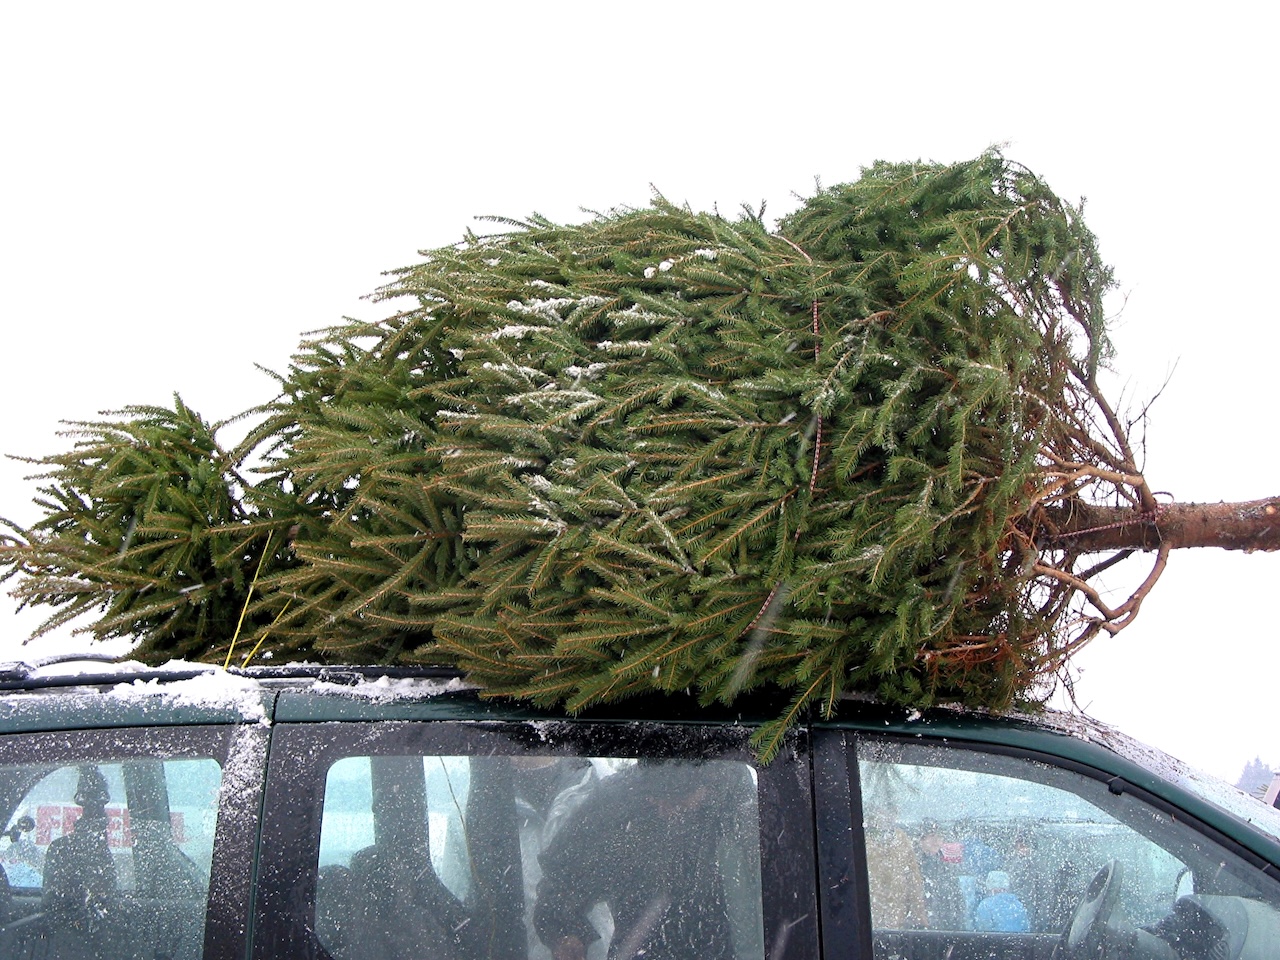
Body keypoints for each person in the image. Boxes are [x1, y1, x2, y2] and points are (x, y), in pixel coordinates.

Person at [533, 761, 752, 960]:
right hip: (638, 949)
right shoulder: (618, 804)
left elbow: (773, 895)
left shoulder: (741, 803)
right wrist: (565, 933)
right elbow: (560, 880)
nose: (664, 810)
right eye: (656, 800)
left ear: (708, 783)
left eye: (678, 802)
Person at [916, 820, 966, 930]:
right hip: (922, 929)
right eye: (932, 836)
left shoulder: (947, 866)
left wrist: (958, 928)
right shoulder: (913, 865)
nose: (936, 840)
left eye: (939, 836)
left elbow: (957, 900)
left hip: (946, 926)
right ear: (921, 840)